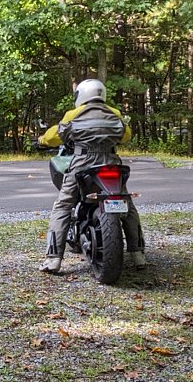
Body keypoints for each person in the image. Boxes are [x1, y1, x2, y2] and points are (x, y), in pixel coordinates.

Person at [38, 79, 146, 273]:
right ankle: (137, 254)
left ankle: (53, 259)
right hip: (111, 163)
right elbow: (126, 135)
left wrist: (42, 139)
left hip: (83, 163)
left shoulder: (74, 114)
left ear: (81, 95)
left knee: (63, 205)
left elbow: (56, 136)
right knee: (127, 205)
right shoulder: (114, 113)